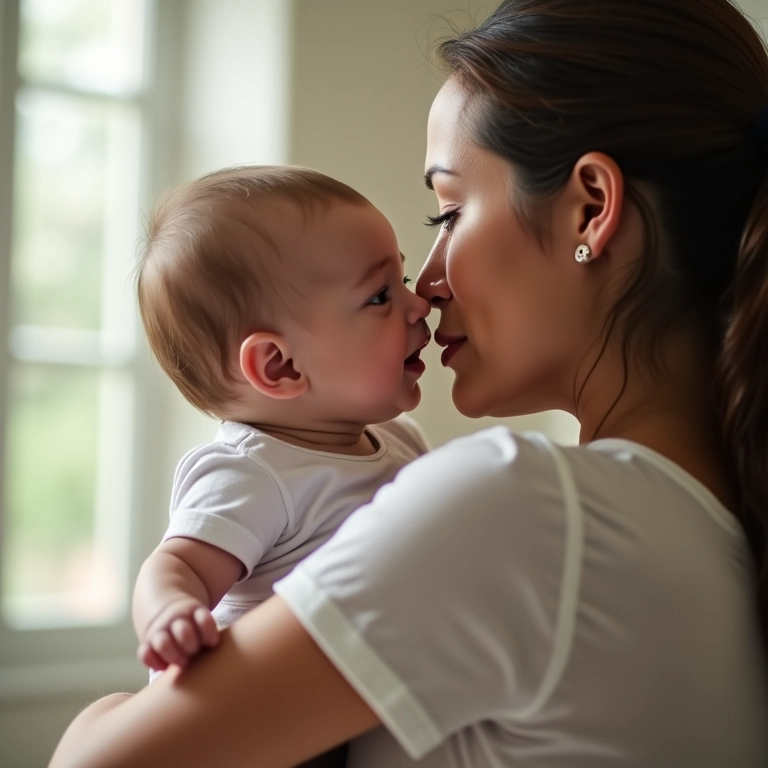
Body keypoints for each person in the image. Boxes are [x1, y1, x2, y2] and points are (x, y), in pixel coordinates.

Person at [49, 0, 768, 766]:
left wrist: (108, 712)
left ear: (591, 209)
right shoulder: (721, 530)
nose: (425, 287)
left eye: (448, 214)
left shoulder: (529, 509)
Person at [132, 165, 431, 680]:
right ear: (281, 366)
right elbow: (176, 566)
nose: (419, 303)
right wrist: (172, 615)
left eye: (400, 279)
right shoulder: (254, 473)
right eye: (380, 296)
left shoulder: (402, 442)